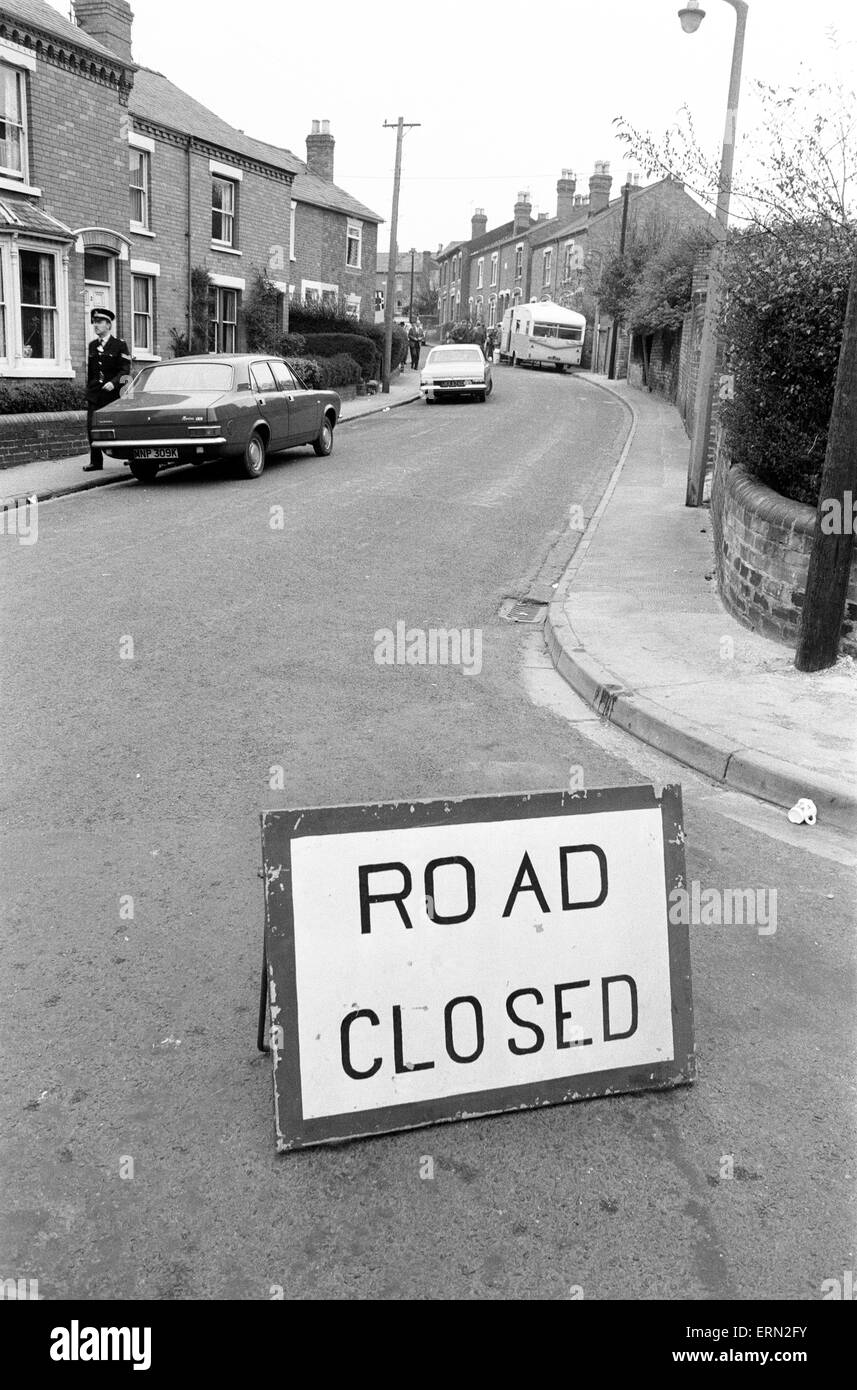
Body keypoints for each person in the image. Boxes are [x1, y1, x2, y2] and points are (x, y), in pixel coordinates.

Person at [84, 308, 131, 471]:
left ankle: (132, 457)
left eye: (99, 322)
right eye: (94, 322)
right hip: (95, 394)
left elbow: (125, 370)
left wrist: (114, 382)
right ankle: (96, 462)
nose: (95, 325)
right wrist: (89, 388)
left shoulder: (120, 345)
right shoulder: (92, 346)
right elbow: (91, 372)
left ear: (108, 325)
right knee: (91, 428)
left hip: (112, 394)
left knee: (120, 428)